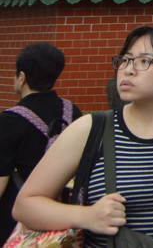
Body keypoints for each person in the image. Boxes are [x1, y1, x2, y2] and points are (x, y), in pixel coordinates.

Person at [13, 25, 153, 248]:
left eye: (145, 61)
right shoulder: (89, 129)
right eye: (126, 59)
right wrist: (87, 216)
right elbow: (25, 205)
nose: (128, 69)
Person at [0, 43, 83, 238]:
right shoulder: (73, 113)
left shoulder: (9, 120)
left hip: (17, 224)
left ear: (22, 78)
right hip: (62, 219)